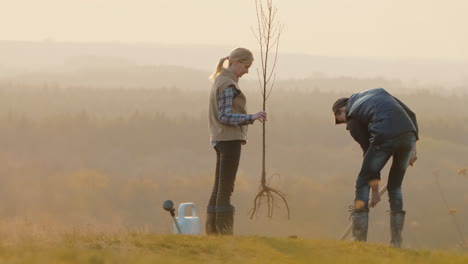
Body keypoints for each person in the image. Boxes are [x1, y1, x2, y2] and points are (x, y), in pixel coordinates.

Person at [332, 88, 418, 247]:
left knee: (362, 183)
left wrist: (375, 192)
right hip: (408, 135)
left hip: (384, 136)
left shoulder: (352, 118)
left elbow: (369, 153)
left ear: (342, 110)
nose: (345, 125)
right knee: (395, 186)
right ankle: (396, 243)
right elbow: (411, 115)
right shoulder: (379, 92)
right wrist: (412, 148)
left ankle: (359, 241)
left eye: (341, 120)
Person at [206, 48, 267, 235]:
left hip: (220, 139)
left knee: (219, 186)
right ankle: (223, 233)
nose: (247, 71)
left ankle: (212, 232)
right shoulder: (228, 85)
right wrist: (252, 117)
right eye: (246, 66)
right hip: (229, 139)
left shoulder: (221, 80)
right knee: (226, 188)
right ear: (236, 63)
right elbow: (225, 116)